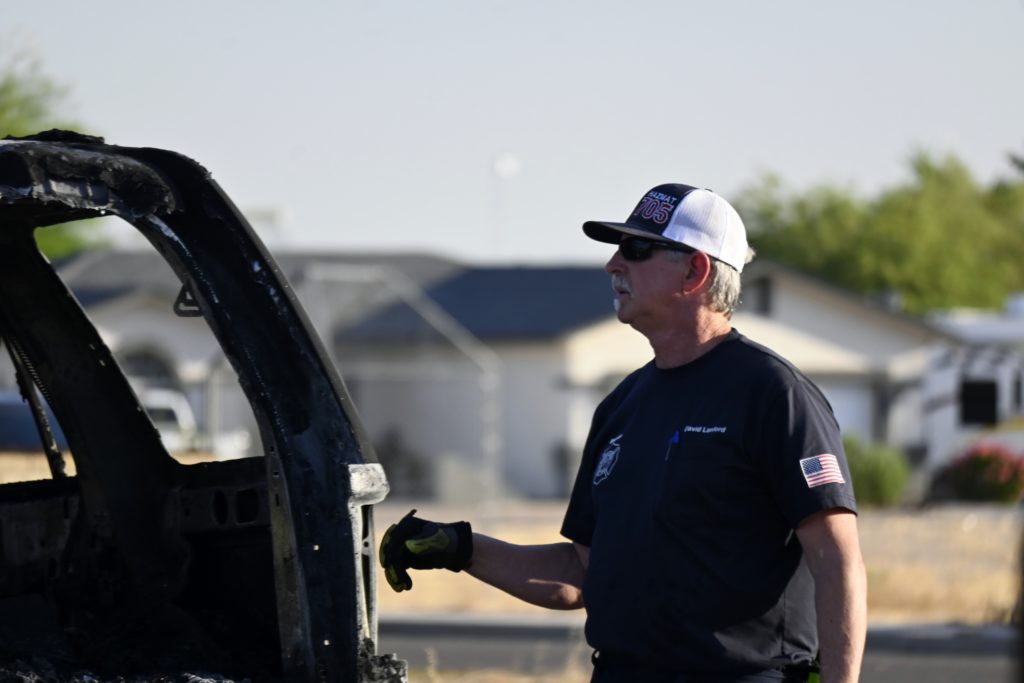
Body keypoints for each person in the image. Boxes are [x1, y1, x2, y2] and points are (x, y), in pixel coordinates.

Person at [379, 184, 867, 683]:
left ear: (695, 271)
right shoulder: (622, 405)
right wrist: (460, 547)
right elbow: (581, 575)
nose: (613, 265)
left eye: (635, 249)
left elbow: (837, 561)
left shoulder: (773, 394)